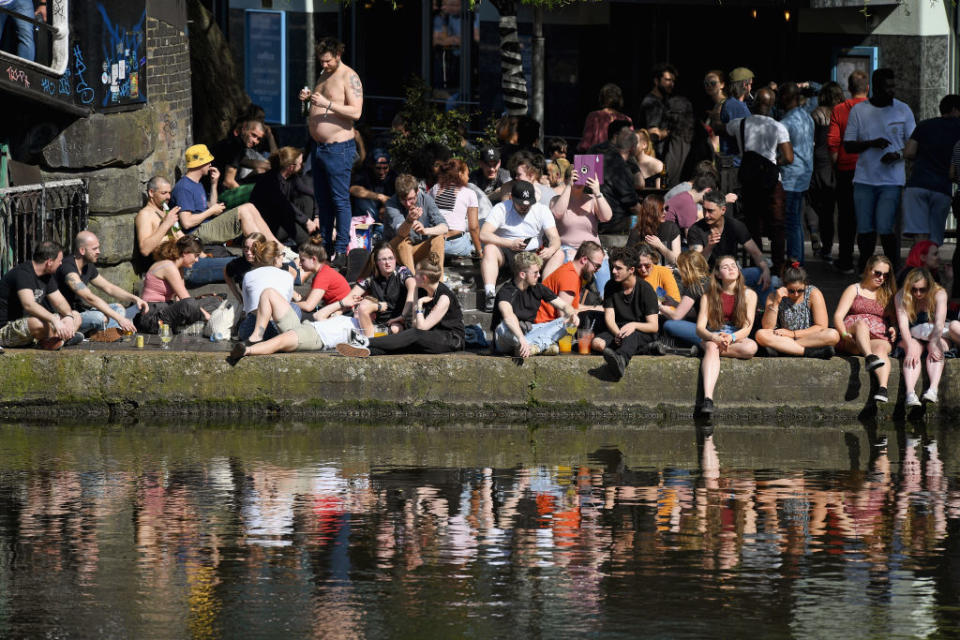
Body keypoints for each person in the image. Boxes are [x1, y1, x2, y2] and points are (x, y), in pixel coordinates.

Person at [843, 68, 915, 272]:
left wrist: (898, 155)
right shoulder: (860, 110)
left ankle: (891, 270)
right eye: (887, 87)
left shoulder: (903, 110)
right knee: (865, 230)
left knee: (886, 228)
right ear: (875, 87)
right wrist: (872, 143)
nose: (892, 91)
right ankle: (865, 269)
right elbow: (848, 144)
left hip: (891, 181)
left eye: (893, 86)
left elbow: (913, 145)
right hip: (864, 179)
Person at [299, 36, 364, 264]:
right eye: (321, 61)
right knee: (323, 200)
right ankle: (325, 245)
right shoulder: (324, 74)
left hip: (338, 148)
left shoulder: (349, 76)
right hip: (319, 147)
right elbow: (316, 109)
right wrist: (307, 101)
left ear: (338, 55)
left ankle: (341, 247)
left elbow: (356, 112)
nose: (323, 65)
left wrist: (326, 104)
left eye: (327, 61)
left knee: (339, 200)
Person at [336, 252, 464, 357]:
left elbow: (421, 328)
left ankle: (365, 342)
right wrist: (414, 295)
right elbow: (414, 323)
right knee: (404, 343)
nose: (414, 277)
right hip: (429, 336)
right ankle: (367, 352)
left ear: (424, 278)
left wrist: (419, 305)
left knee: (414, 335)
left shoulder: (444, 297)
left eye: (416, 274)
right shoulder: (420, 290)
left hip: (450, 340)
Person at [726, 87, 793, 275]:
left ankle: (757, 265)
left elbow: (720, 125)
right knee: (777, 226)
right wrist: (771, 163)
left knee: (753, 224)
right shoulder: (778, 127)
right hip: (772, 181)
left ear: (753, 103)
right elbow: (788, 157)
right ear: (772, 105)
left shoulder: (739, 124)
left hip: (749, 181)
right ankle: (778, 267)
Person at [171, 145, 283, 250]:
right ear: (200, 163)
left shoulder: (197, 184)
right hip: (196, 233)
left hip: (206, 225)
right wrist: (211, 211)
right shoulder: (184, 187)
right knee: (243, 211)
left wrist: (214, 184)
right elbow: (187, 222)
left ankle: (278, 247)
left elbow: (211, 207)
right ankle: (263, 251)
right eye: (208, 161)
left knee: (250, 207)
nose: (210, 164)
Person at [135, 176, 234, 286]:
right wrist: (166, 224)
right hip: (178, 268)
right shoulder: (145, 215)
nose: (168, 197)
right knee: (239, 265)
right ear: (151, 193)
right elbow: (145, 249)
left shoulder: (165, 211)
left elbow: (180, 235)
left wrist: (201, 254)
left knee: (238, 262)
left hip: (190, 260)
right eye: (164, 193)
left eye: (169, 193)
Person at [480, 180, 561, 311]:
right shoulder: (501, 208)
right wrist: (509, 243)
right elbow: (483, 235)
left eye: (528, 204)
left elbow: (555, 238)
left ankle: (545, 291)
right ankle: (490, 294)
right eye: (520, 204)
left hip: (534, 254)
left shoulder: (542, 210)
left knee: (559, 253)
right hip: (508, 253)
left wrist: (551, 249)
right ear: (512, 198)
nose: (524, 207)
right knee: (489, 248)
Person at [695, 255, 759, 414]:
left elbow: (747, 327)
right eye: (725, 267)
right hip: (714, 334)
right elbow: (700, 329)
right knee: (711, 346)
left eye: (733, 265)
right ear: (717, 274)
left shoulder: (749, 294)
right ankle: (708, 399)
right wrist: (714, 338)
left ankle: (711, 352)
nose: (731, 268)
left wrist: (732, 337)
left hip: (736, 335)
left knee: (751, 347)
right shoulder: (708, 296)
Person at [56, 231, 147, 338]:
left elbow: (109, 288)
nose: (98, 252)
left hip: (82, 312)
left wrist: (135, 299)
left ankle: (103, 334)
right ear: (82, 250)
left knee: (118, 308)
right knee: (99, 317)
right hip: (67, 317)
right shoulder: (67, 267)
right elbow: (89, 297)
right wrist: (119, 319)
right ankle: (95, 333)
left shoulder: (88, 266)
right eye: (94, 249)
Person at [687, 190, 774, 301]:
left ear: (723, 210)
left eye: (710, 211)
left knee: (759, 274)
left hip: (732, 275)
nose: (706, 215)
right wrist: (709, 247)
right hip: (709, 278)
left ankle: (768, 312)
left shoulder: (735, 226)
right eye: (704, 210)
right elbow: (696, 265)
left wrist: (766, 269)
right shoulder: (696, 230)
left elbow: (755, 252)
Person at [833, 255, 897, 403]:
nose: (881, 277)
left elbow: (893, 320)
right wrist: (843, 333)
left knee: (881, 348)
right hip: (853, 337)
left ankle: (883, 388)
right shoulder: (854, 289)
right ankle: (869, 357)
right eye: (878, 273)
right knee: (862, 324)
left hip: (878, 338)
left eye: (885, 275)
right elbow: (838, 316)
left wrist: (894, 328)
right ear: (868, 270)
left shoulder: (887, 294)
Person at [490, 251, 579, 358]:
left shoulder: (538, 288)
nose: (539, 275)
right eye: (535, 273)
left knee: (568, 323)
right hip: (506, 337)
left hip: (529, 332)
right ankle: (540, 345)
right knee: (504, 326)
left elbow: (565, 306)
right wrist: (521, 338)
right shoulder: (506, 291)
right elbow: (509, 316)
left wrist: (572, 314)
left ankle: (531, 348)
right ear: (522, 274)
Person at [894, 267, 960, 406]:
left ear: (929, 286)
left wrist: (935, 341)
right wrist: (909, 345)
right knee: (911, 351)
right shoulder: (901, 296)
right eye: (914, 289)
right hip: (913, 334)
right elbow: (903, 326)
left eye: (922, 289)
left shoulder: (939, 293)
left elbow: (939, 323)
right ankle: (910, 394)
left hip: (935, 333)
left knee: (936, 348)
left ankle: (933, 390)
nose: (918, 293)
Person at [592, 246, 661, 380]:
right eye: (613, 267)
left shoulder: (646, 289)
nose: (613, 271)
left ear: (631, 270)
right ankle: (646, 349)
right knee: (597, 343)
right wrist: (617, 333)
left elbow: (653, 326)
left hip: (641, 330)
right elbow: (610, 318)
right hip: (619, 329)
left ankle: (621, 360)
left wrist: (634, 325)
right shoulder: (610, 286)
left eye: (618, 268)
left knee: (631, 336)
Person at [0, 241, 81, 351]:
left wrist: (68, 317)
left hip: (31, 326)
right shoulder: (23, 273)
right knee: (38, 323)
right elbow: (29, 305)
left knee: (76, 315)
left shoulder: (47, 276)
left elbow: (60, 302)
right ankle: (58, 340)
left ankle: (56, 341)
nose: (61, 263)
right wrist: (54, 320)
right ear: (49, 262)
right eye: (59, 261)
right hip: (6, 328)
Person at [902, 95, 960, 245]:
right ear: (954, 109)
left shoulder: (924, 125)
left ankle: (919, 267)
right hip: (942, 188)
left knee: (920, 237)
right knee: (934, 238)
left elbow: (908, 152)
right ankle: (930, 266)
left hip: (918, 185)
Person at [827, 70, 870, 273]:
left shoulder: (840, 109)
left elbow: (833, 142)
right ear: (867, 88)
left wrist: (837, 165)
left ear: (849, 88)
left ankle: (845, 260)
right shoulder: (874, 109)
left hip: (846, 170)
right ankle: (866, 262)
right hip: (870, 171)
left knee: (846, 217)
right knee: (867, 217)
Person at [754, 262, 839, 358]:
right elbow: (768, 327)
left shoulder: (813, 293)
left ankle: (787, 349)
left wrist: (792, 334)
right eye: (791, 291)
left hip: (809, 338)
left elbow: (821, 326)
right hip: (783, 338)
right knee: (760, 334)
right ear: (784, 286)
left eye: (800, 291)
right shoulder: (774, 296)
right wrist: (776, 302)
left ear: (805, 285)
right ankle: (804, 352)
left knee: (833, 334)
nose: (796, 294)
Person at [134, 236, 211, 334]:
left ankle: (187, 324)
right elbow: (185, 298)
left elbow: (179, 299)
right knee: (190, 304)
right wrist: (208, 317)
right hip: (151, 316)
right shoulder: (169, 267)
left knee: (214, 301)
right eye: (196, 255)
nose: (197, 260)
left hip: (165, 308)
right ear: (185, 252)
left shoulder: (179, 268)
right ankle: (189, 325)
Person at [550, 168, 612, 290]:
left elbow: (607, 217)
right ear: (567, 179)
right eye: (574, 178)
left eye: (581, 178)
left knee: (603, 266)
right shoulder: (556, 200)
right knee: (566, 261)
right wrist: (568, 187)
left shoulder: (592, 199)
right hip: (567, 248)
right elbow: (557, 213)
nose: (578, 182)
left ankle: (604, 303)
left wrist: (597, 192)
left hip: (592, 248)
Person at [249, 147, 320, 246]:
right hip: (267, 228)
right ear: (291, 167)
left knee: (306, 199)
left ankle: (312, 236)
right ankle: (308, 244)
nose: (302, 165)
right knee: (287, 213)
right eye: (300, 163)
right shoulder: (270, 181)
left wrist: (317, 216)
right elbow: (285, 206)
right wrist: (307, 221)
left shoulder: (291, 177)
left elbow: (311, 193)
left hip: (282, 222)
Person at [233, 237, 299, 342]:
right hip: (280, 328)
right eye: (282, 255)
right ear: (276, 258)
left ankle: (258, 336)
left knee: (245, 324)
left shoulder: (248, 275)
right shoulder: (287, 276)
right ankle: (287, 336)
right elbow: (286, 303)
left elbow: (247, 308)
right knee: (294, 307)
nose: (283, 258)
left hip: (253, 328)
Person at [778, 82, 815, 266]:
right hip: (804, 173)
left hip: (791, 176)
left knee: (791, 220)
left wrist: (776, 161)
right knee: (796, 220)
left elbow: (787, 156)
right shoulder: (806, 117)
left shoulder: (786, 123)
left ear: (787, 97)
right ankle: (797, 259)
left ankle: (795, 260)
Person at [808, 81, 845, 262]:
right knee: (832, 209)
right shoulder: (843, 113)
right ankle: (829, 248)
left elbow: (811, 139)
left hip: (818, 161)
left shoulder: (817, 113)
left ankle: (815, 235)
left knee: (813, 203)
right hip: (836, 161)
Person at [382, 174, 448, 275]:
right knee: (403, 241)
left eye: (411, 199)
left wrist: (425, 230)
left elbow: (444, 227)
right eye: (404, 200)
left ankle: (437, 285)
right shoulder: (391, 204)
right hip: (394, 252)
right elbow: (401, 233)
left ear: (417, 192)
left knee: (438, 238)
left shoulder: (426, 200)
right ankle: (412, 284)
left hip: (416, 250)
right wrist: (409, 220)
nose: (408, 204)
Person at [352, 241, 416, 337]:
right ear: (377, 262)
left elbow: (413, 287)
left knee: (395, 329)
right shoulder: (370, 278)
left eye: (391, 258)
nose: (388, 262)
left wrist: (403, 315)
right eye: (383, 259)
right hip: (376, 323)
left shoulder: (402, 272)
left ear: (395, 259)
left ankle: (369, 339)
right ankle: (369, 338)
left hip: (398, 322)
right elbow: (351, 297)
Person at [534, 241, 605, 324]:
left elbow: (571, 306)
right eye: (597, 266)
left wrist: (597, 308)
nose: (598, 270)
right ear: (584, 259)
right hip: (545, 325)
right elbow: (564, 315)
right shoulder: (570, 277)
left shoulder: (571, 270)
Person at [430, 158, 481, 257]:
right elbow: (473, 228)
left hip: (436, 242)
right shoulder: (469, 193)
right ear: (460, 174)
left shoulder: (435, 189)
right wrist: (479, 251)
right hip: (457, 246)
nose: (468, 178)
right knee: (469, 243)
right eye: (467, 174)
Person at [660, 250, 711, 349]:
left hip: (707, 331)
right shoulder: (708, 280)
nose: (678, 270)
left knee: (669, 324)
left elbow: (676, 316)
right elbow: (695, 313)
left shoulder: (695, 286)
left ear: (686, 268)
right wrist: (674, 304)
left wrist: (658, 305)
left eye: (679, 267)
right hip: (713, 328)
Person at [292, 235, 351, 316]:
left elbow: (308, 306)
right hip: (339, 309)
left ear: (313, 259)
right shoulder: (323, 271)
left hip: (343, 313)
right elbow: (306, 299)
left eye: (302, 260)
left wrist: (290, 305)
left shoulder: (323, 276)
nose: (299, 264)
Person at [598, 127, 642, 233]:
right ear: (633, 148)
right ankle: (633, 246)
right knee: (644, 218)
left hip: (596, 218)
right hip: (613, 222)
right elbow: (632, 205)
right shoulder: (620, 167)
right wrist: (648, 214)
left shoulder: (602, 159)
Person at [211, 119, 268, 191]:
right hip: (218, 190)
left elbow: (247, 162)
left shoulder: (234, 142)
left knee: (260, 174)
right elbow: (228, 182)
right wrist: (245, 196)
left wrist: (269, 166)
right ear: (244, 129)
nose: (255, 141)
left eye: (258, 139)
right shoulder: (236, 147)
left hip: (216, 186)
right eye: (253, 135)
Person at [636, 63, 677, 157]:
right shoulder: (652, 103)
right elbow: (653, 135)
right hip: (655, 157)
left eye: (673, 81)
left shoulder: (664, 101)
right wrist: (671, 131)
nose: (671, 84)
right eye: (667, 80)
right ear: (656, 81)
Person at [627, 193, 680, 267]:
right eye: (661, 210)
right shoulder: (637, 232)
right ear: (651, 212)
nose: (665, 212)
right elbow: (629, 260)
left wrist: (660, 246)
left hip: (668, 274)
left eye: (666, 208)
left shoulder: (671, 227)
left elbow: (677, 260)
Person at [579, 83, 632, 152]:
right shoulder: (627, 119)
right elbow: (631, 144)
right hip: (619, 159)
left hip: (597, 159)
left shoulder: (594, 116)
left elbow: (585, 144)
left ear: (602, 98)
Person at [349, 147, 396, 220]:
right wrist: (380, 197)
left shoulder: (393, 176)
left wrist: (385, 206)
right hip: (368, 212)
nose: (382, 172)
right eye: (378, 168)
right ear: (372, 166)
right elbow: (353, 189)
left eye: (385, 168)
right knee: (362, 202)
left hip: (385, 214)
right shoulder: (364, 173)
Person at [719, 67, 754, 163]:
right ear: (744, 85)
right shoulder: (735, 106)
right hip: (735, 165)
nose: (751, 88)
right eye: (750, 84)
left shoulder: (737, 104)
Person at [636, 243, 680, 308]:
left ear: (653, 260)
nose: (643, 269)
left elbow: (675, 303)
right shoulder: (632, 274)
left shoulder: (663, 272)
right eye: (639, 266)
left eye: (647, 265)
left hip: (662, 314)